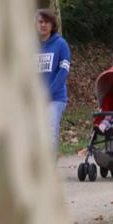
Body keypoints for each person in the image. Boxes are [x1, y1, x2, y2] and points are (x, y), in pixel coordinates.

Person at [37, 9, 70, 149]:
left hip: (55, 98)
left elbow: (63, 71)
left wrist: (48, 93)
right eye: (40, 22)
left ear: (52, 25)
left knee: (50, 131)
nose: (43, 25)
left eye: (47, 22)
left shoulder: (61, 44)